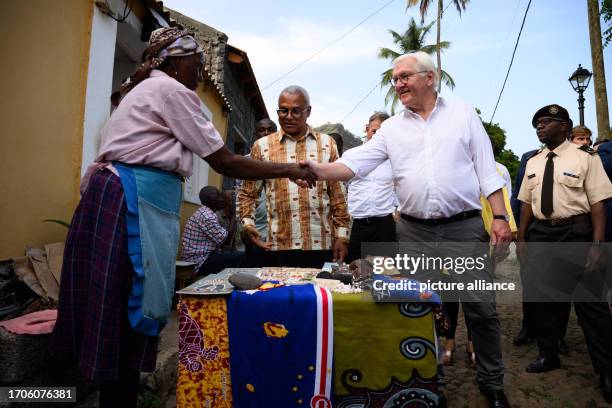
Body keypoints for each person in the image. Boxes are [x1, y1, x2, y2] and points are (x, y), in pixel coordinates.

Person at [50, 27, 315, 408]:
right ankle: (116, 397)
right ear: (175, 62)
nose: (201, 74)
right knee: (127, 304)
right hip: (129, 203)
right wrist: (289, 170)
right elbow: (223, 160)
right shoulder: (170, 91)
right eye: (197, 64)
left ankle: (112, 394)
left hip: (116, 198)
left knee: (114, 303)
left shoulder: (144, 89)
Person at [300, 52, 513, 408]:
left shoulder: (463, 113)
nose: (397, 84)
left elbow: (486, 168)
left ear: (429, 78)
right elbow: (355, 162)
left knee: (482, 309)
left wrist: (501, 217)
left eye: (404, 76)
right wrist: (317, 169)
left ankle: (492, 383)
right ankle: (431, 386)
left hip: (464, 229)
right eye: (394, 79)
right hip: (414, 234)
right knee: (419, 309)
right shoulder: (392, 129)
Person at [516, 104, 612, 403]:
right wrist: (521, 238)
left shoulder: (586, 158)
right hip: (542, 235)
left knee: (592, 307)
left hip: (576, 233)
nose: (540, 127)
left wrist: (597, 244)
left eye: (546, 122)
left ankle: (607, 371)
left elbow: (597, 203)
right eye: (537, 124)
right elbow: (527, 203)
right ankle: (548, 354)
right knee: (546, 304)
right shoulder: (533, 161)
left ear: (564, 126)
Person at [238, 85, 350, 268]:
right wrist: (248, 224)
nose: (288, 116)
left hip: (321, 243)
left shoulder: (327, 144)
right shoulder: (262, 146)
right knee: (282, 296)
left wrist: (342, 236)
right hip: (278, 246)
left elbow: (338, 196)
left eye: (296, 111)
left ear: (308, 112)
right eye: (283, 111)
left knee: (317, 295)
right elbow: (247, 193)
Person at [346, 111, 397, 263]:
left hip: (384, 224)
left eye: (382, 133)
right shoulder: (352, 155)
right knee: (356, 272)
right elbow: (341, 187)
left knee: (385, 273)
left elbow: (401, 187)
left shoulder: (394, 159)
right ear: (366, 129)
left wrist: (398, 212)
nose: (377, 136)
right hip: (358, 223)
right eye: (374, 131)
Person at [181, 186, 244, 275]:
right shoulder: (207, 216)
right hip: (199, 261)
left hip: (203, 256)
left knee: (236, 255)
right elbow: (226, 240)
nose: (221, 200)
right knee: (240, 257)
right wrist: (234, 214)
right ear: (209, 200)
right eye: (218, 197)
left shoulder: (206, 212)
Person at [241, 119, 278, 266]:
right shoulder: (244, 162)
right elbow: (241, 195)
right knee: (255, 271)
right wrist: (243, 226)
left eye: (270, 130)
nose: (266, 133)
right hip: (255, 227)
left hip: (279, 229)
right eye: (262, 130)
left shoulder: (284, 160)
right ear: (255, 133)